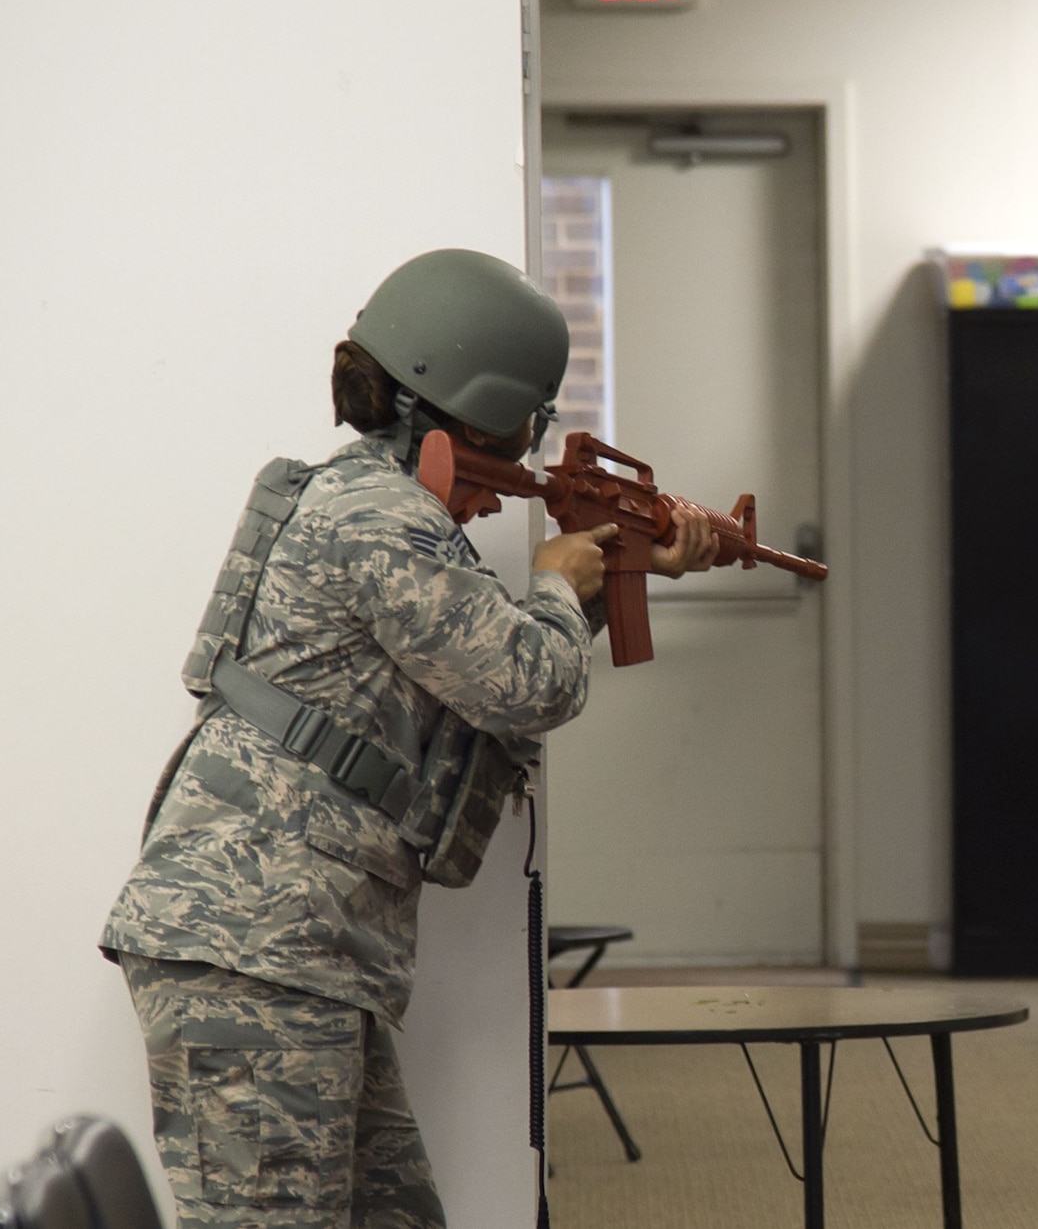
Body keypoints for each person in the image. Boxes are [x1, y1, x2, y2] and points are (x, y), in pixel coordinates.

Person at [99, 248, 716, 1228]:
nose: (525, 455)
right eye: (525, 423)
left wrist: (618, 576)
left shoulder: (368, 504)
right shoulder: (382, 523)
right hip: (256, 946)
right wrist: (557, 581)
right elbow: (525, 683)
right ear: (476, 402)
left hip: (299, 949)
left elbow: (482, 670)